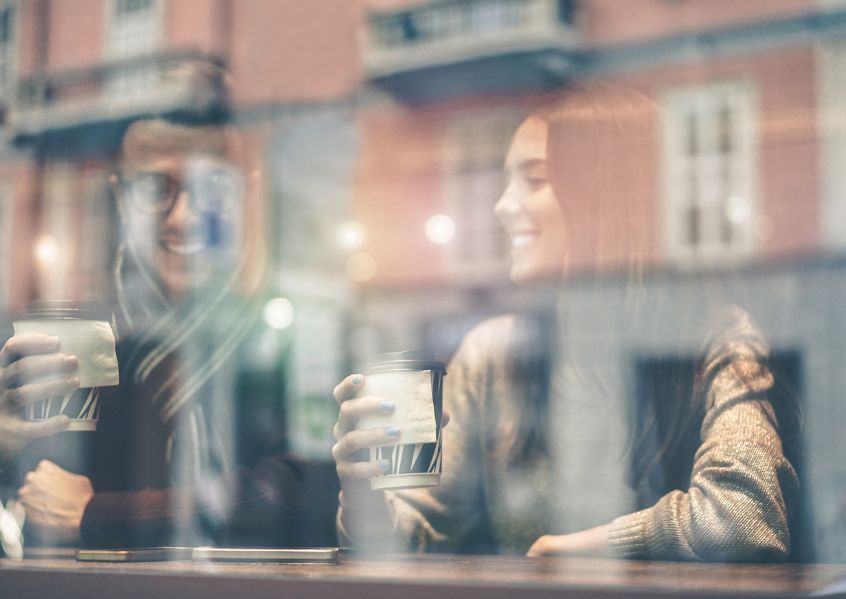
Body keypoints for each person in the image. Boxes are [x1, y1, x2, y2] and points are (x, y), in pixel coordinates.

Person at [331, 83, 799, 561]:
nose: (502, 206)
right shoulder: (492, 351)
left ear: (604, 194)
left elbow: (743, 520)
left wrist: (577, 552)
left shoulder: (709, 337)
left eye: (533, 180)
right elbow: (417, 538)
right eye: (505, 181)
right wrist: (363, 495)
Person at [1, 106, 337, 548]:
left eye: (210, 191)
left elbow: (299, 491)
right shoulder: (103, 344)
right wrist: (5, 447)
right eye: (157, 189)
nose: (182, 218)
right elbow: (36, 500)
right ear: (122, 198)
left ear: (245, 199)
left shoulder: (284, 333)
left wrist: (94, 514)